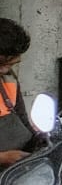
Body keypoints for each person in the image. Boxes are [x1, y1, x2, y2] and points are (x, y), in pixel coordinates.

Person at [0, 18, 39, 165]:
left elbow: (22, 117)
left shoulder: (8, 79)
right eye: (1, 63)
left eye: (10, 64)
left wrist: (38, 137)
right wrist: (2, 158)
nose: (5, 70)